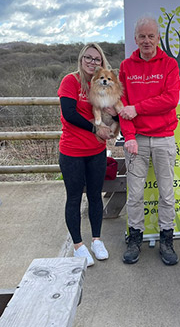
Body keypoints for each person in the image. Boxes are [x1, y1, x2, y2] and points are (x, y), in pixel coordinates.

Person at [118, 16, 180, 266]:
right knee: (135, 195)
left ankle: (167, 239)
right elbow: (122, 106)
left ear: (157, 38)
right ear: (135, 39)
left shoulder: (169, 64)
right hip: (137, 141)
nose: (146, 41)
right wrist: (129, 136)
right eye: (142, 36)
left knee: (167, 194)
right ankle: (135, 238)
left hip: (164, 138)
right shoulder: (125, 66)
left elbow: (170, 99)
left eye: (151, 36)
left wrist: (138, 108)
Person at [58, 43, 114, 267]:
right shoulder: (70, 81)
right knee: (73, 197)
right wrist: (96, 128)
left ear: (102, 63)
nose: (92, 62)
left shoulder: (103, 83)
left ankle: (97, 240)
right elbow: (69, 113)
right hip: (72, 151)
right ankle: (78, 245)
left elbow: (112, 112)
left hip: (96, 151)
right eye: (88, 58)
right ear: (81, 59)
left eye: (97, 59)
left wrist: (113, 115)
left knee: (95, 195)